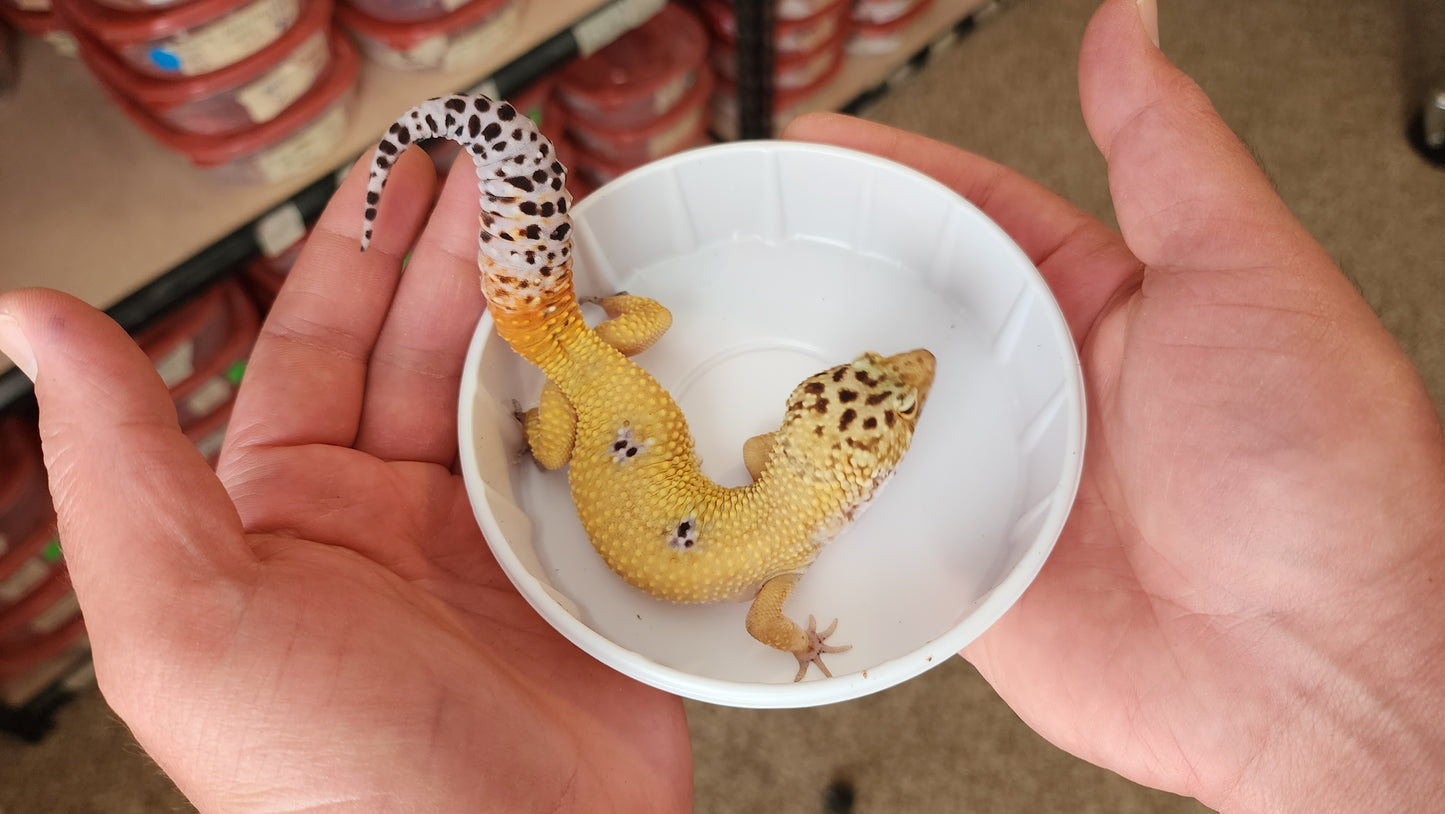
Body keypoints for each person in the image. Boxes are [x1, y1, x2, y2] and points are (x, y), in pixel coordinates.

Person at [1, 0, 1441, 810]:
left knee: (552, 311)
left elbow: (758, 501)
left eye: (863, 394)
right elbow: (758, 575)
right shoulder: (776, 535)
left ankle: (469, 182)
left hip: (596, 384)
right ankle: (469, 180)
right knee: (546, 308)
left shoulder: (774, 513)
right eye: (863, 388)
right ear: (840, 470)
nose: (885, 382)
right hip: (587, 400)